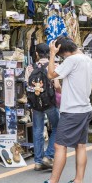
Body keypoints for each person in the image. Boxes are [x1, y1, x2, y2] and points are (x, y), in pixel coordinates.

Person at [32, 37, 92, 183]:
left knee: (60, 145)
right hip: (85, 109)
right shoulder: (87, 60)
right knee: (81, 146)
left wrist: (52, 54)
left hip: (72, 111)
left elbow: (51, 74)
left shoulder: (71, 60)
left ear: (62, 52)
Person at [27, 43, 60, 171]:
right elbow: (56, 86)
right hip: (50, 103)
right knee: (57, 127)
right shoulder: (55, 66)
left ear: (36, 53)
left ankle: (38, 162)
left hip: (36, 104)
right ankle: (48, 155)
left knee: (37, 131)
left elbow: (28, 85)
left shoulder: (30, 67)